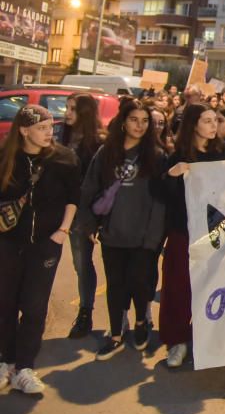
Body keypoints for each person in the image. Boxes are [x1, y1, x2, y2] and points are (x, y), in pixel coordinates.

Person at [78, 100, 167, 360]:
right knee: (115, 285)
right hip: (112, 234)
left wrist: (153, 238)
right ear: (123, 122)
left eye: (145, 121)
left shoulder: (157, 156)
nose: (139, 125)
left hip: (143, 237)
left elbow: (161, 202)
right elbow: (89, 189)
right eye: (134, 119)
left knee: (140, 283)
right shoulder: (107, 153)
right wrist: (89, 224)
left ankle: (141, 322)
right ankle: (115, 334)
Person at [0, 105, 80, 394]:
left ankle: (25, 367)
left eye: (50, 127)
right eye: (42, 128)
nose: (49, 132)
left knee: (34, 306)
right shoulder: (6, 158)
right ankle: (5, 361)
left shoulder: (64, 159)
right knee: (5, 303)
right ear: (24, 130)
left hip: (46, 243)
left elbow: (74, 197)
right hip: (8, 243)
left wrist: (62, 231)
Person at [160, 104, 225, 368]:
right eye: (207, 121)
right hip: (184, 231)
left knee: (213, 285)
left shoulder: (224, 154)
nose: (213, 125)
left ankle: (209, 339)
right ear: (193, 125)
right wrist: (172, 175)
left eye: (215, 120)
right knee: (179, 286)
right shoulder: (178, 156)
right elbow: (163, 195)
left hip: (217, 231)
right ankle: (177, 341)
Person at [60, 94, 106, 340]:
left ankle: (85, 312)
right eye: (67, 108)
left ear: (85, 113)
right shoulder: (61, 136)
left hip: (81, 215)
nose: (67, 113)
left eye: (72, 109)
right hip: (53, 211)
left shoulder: (95, 144)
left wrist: (92, 219)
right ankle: (32, 311)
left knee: (81, 264)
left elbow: (97, 184)